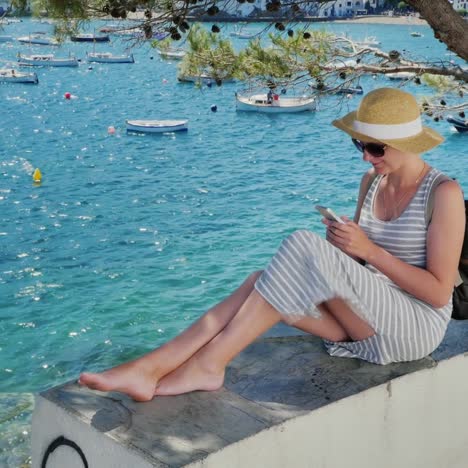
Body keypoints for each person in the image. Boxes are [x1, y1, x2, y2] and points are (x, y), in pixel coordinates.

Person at [79, 88, 465, 402]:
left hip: (414, 327)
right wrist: (347, 248)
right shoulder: (372, 181)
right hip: (369, 319)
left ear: (407, 143)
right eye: (358, 144)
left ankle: (210, 364)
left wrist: (368, 250)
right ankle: (151, 367)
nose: (365, 155)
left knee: (301, 243)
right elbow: (363, 269)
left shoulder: (442, 193)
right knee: (259, 280)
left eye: (376, 148)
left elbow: (437, 293)